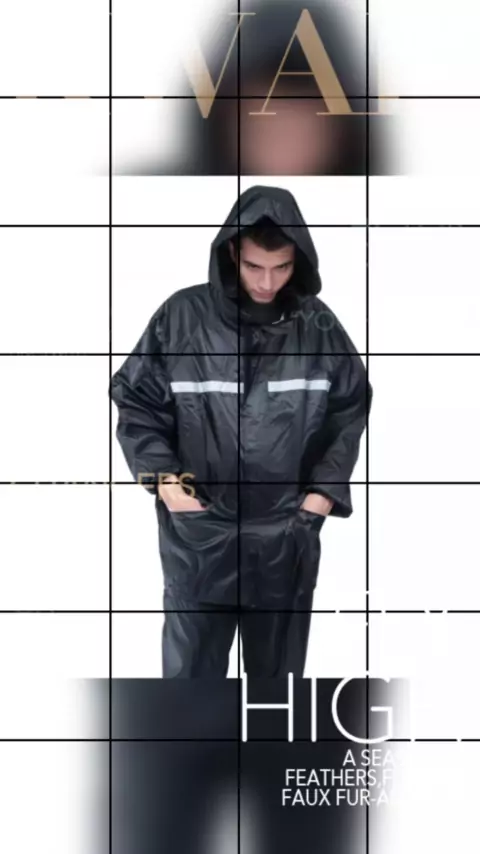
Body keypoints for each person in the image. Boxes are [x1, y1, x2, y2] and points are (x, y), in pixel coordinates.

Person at [109, 184, 372, 677]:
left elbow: (350, 408)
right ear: (232, 252)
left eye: (282, 267)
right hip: (199, 536)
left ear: (299, 259)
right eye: (254, 266)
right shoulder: (182, 318)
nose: (267, 282)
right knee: (189, 691)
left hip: (284, 538)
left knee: (275, 694)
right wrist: (168, 484)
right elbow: (137, 401)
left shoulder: (317, 326)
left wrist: (321, 497)